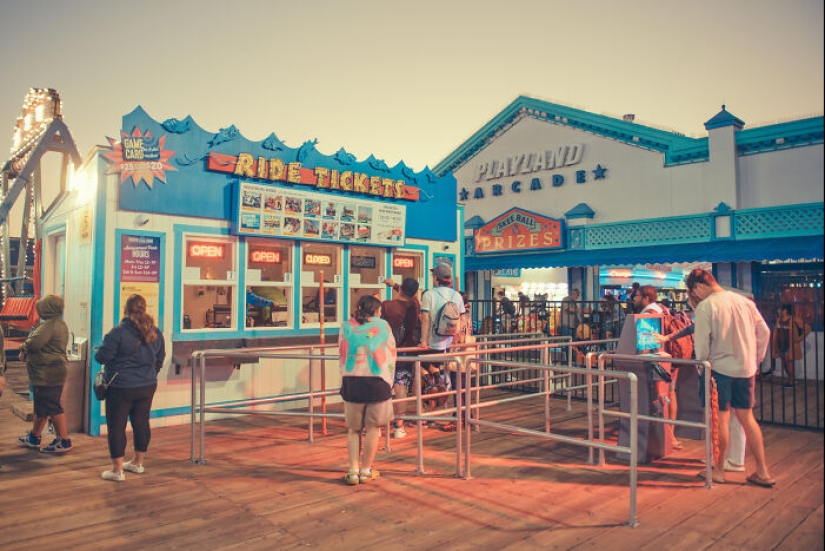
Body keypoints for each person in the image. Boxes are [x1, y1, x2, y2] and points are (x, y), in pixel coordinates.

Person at [687, 268, 775, 487]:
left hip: (719, 370)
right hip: (745, 369)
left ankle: (718, 470)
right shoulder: (744, 302)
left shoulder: (707, 306)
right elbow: (764, 332)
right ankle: (762, 471)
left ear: (698, 286)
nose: (695, 298)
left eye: (693, 293)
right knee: (748, 418)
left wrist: (703, 369)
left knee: (720, 420)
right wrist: (755, 360)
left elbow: (702, 347)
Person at [94, 294, 166, 482]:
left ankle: (117, 471)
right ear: (144, 309)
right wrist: (150, 374)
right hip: (147, 385)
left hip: (121, 387)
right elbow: (160, 358)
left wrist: (100, 349)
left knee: (116, 426)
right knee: (141, 422)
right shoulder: (155, 331)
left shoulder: (117, 333)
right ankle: (138, 463)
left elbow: (102, 358)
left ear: (125, 310)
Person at [339, 295, 396, 485]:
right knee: (373, 428)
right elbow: (391, 353)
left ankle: (353, 471)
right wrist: (390, 381)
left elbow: (342, 352)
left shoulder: (346, 325)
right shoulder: (383, 326)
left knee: (353, 430)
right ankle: (366, 470)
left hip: (352, 380)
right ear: (376, 310)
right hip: (377, 381)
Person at [18, 295, 72, 453]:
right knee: (42, 406)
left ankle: (64, 441)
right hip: (51, 372)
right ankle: (34, 437)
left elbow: (34, 343)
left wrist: (22, 348)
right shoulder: (59, 323)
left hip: (47, 373)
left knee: (52, 406)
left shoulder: (50, 325)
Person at [418, 263, 466, 411]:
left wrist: (423, 340)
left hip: (432, 343)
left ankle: (430, 390)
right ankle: (438, 381)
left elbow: (425, 318)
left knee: (417, 366)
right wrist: (456, 337)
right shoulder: (456, 295)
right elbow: (462, 319)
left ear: (436, 278)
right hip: (448, 344)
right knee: (436, 367)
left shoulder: (429, 295)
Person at [381, 277, 421, 439]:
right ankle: (399, 426)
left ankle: (376, 424)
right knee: (400, 386)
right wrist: (397, 286)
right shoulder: (414, 307)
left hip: (385, 350)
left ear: (401, 290)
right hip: (405, 349)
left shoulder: (386, 305)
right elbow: (414, 298)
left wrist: (394, 285)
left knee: (382, 386)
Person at [769, 304, 811, 388]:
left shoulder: (794, 319)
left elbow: (807, 328)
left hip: (789, 346)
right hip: (780, 345)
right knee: (784, 363)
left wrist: (799, 338)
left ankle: (791, 381)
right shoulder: (779, 320)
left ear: (785, 310)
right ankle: (791, 379)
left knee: (789, 363)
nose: (779, 311)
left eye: (780, 309)